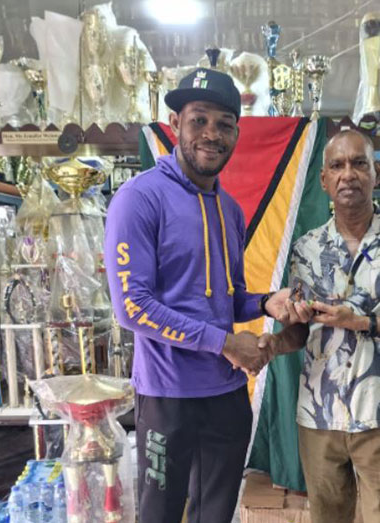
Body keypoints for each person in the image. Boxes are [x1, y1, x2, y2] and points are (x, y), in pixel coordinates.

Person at [104, 67, 289, 523]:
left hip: (226, 395)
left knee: (216, 514)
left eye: (224, 124)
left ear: (236, 134)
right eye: (199, 120)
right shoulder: (138, 199)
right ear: (174, 126)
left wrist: (266, 302)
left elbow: (228, 296)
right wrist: (227, 343)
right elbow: (133, 308)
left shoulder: (230, 209)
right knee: (160, 515)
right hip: (167, 396)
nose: (212, 134)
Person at [259, 129, 380, 523]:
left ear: (376, 174)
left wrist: (365, 322)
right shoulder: (307, 248)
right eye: (337, 165)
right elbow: (301, 331)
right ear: (324, 180)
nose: (348, 173)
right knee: (326, 516)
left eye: (359, 163)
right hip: (319, 414)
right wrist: (272, 345)